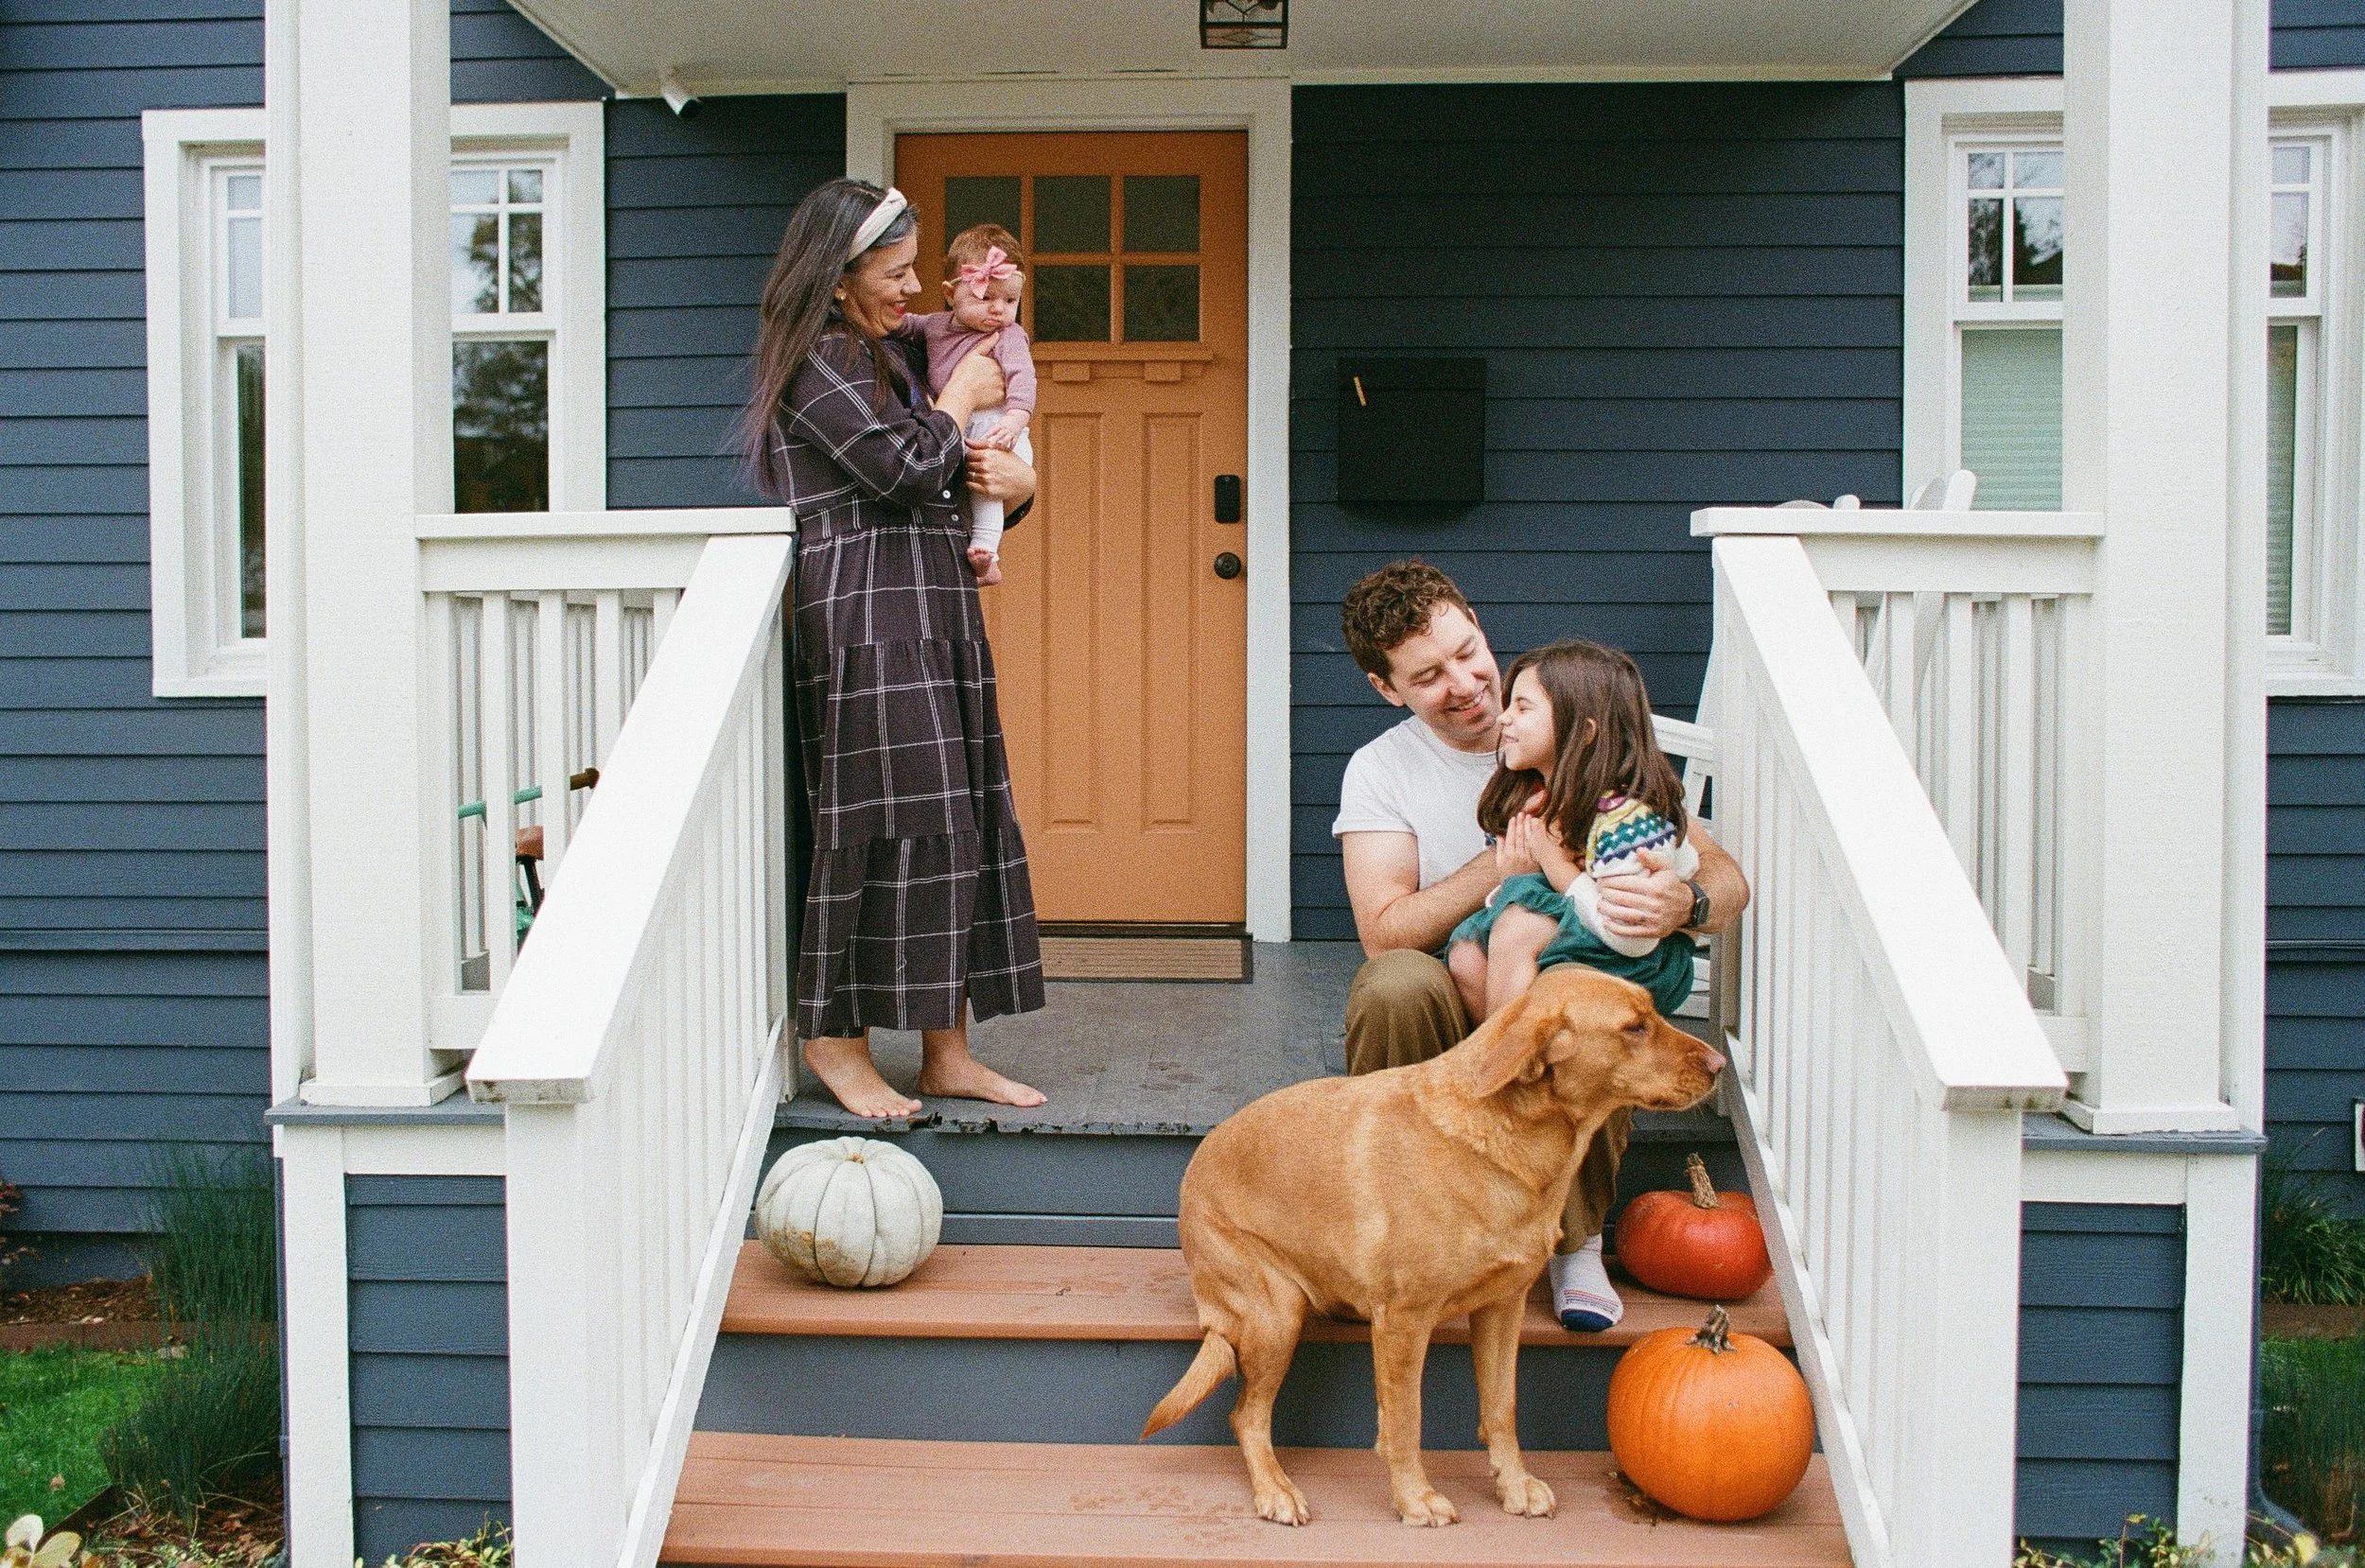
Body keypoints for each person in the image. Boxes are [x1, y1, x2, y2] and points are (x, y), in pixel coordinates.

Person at [1331, 562, 1750, 1331]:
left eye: (1468, 651)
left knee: (1587, 995)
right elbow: (1384, 929)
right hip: (1455, 992)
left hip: (1563, 991)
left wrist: (1682, 901)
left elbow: (1723, 879)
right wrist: (1504, 862)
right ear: (1387, 688)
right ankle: (1397, 1228)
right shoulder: (1381, 771)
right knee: (1392, 982)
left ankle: (1574, 1240)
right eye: (1428, 676)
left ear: (1479, 625)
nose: (1464, 683)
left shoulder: (1572, 719)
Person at [737, 179, 1048, 1120]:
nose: (913, 289)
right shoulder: (816, 361)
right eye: (896, 271)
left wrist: (1018, 484)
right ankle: (835, 1038)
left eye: (917, 270)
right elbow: (906, 465)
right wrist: (958, 397)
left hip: (935, 604)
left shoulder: (889, 354)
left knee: (954, 822)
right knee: (875, 830)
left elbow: (952, 477)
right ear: (836, 279)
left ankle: (946, 1050)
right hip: (864, 615)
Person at [1445, 639, 1701, 1027]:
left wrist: (1551, 862)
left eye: (1523, 707)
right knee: (1466, 954)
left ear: (1583, 732)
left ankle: (1506, 1076)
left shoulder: (1626, 821)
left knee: (1517, 926)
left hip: (1637, 958)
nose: (1502, 718)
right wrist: (1515, 880)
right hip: (1580, 929)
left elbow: (1631, 938)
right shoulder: (1534, 799)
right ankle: (1520, 1069)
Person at [892, 223, 1036, 586]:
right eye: (985, 298)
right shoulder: (934, 327)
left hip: (998, 427)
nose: (998, 310)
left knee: (985, 489)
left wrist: (1016, 419)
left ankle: (987, 555)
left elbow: (1022, 377)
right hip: (958, 426)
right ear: (949, 294)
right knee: (958, 491)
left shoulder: (1008, 335)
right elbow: (902, 325)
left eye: (1009, 301)